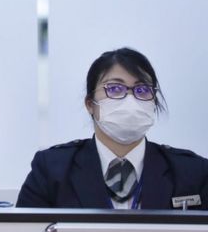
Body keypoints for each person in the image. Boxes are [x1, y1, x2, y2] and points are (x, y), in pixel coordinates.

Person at [17, 47, 208, 209]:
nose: (131, 100)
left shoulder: (192, 171)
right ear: (90, 104)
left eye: (142, 90)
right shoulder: (51, 169)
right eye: (115, 89)